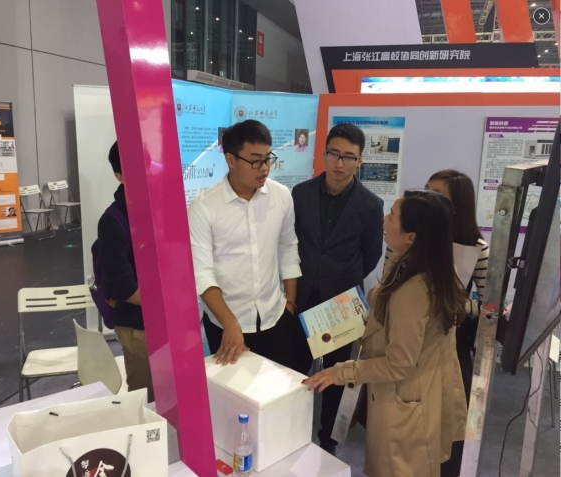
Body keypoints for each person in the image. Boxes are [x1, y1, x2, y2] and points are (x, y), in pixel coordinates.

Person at [304, 190, 468, 477]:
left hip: (407, 401)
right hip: (418, 390)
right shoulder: (424, 264)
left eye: (392, 216)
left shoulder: (414, 291)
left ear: (411, 236)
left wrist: (340, 372)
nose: (384, 219)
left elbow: (398, 364)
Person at [292, 122, 384, 454]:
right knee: (293, 370)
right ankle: (288, 433)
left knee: (336, 376)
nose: (339, 163)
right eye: (334, 154)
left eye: (348, 157)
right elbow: (290, 243)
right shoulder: (300, 194)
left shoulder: (371, 205)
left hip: (341, 304)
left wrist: (340, 278)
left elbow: (371, 255)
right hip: (301, 298)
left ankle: (327, 443)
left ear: (360, 160)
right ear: (324, 153)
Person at [188, 120, 303, 369]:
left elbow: (287, 246)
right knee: (233, 390)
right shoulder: (204, 207)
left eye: (268, 159)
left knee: (279, 386)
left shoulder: (281, 195)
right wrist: (230, 323)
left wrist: (290, 301)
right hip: (226, 324)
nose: (264, 168)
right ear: (230, 159)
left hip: (275, 316)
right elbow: (201, 273)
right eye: (255, 161)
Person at [426, 170, 489, 477]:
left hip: (453, 340)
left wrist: (458, 305)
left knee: (450, 418)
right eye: (425, 191)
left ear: (456, 207)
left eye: (436, 194)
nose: (426, 199)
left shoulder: (477, 247)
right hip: (413, 338)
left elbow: (489, 306)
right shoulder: (412, 235)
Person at [97, 141, 154, 402]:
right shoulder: (113, 221)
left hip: (167, 321)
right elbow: (126, 288)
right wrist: (165, 306)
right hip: (137, 325)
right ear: (119, 175)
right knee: (147, 399)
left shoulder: (159, 210)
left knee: (175, 395)